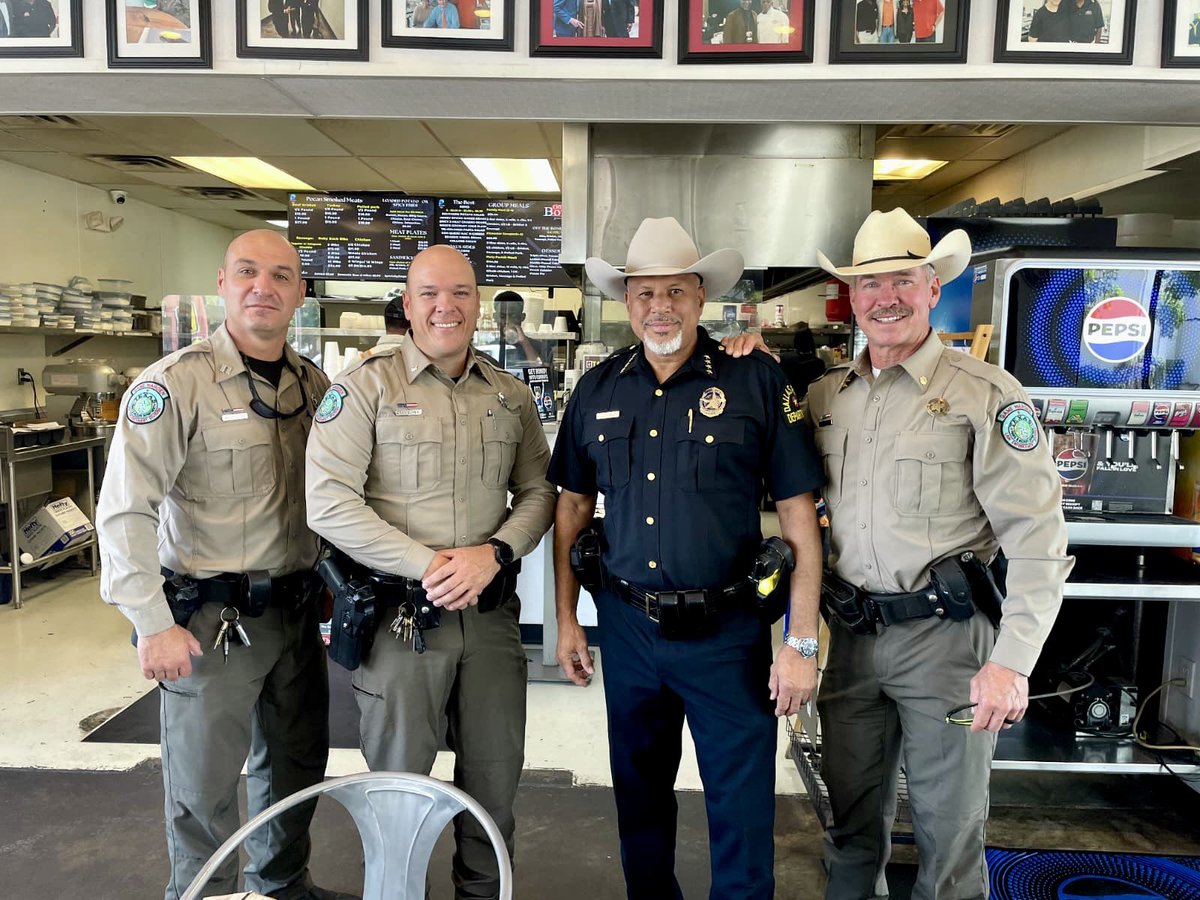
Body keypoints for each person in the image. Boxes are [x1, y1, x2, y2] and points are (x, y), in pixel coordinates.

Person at [723, 208, 1072, 900]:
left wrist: (1012, 662)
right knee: (850, 828)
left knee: (949, 831)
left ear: (933, 288)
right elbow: (793, 503)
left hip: (948, 646)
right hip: (851, 638)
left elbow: (1039, 541)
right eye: (870, 284)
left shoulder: (985, 396)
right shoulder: (825, 398)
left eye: (902, 281)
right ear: (852, 296)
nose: (886, 298)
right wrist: (751, 375)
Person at [551, 217, 825, 900]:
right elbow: (572, 511)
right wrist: (566, 619)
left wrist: (800, 638)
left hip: (727, 635)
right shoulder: (599, 388)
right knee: (639, 800)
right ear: (627, 302)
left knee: (741, 805)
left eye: (675, 290)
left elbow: (799, 517)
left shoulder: (755, 380)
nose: (659, 307)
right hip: (628, 628)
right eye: (644, 293)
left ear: (701, 297)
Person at [96, 231, 354, 900]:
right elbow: (126, 512)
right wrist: (151, 623)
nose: (262, 286)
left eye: (280, 275)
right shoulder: (173, 385)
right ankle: (205, 896)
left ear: (300, 293)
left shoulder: (314, 386)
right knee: (203, 786)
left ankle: (280, 887)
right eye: (247, 272)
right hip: (212, 622)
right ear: (222, 282)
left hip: (297, 614)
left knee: (296, 768)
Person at [305, 244, 556, 900]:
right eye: (430, 294)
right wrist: (432, 565)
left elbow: (539, 492)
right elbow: (328, 502)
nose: (447, 306)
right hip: (400, 623)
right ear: (408, 305)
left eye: (462, 293)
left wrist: (494, 553)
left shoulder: (508, 394)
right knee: (398, 795)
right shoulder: (365, 387)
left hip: (490, 622)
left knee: (495, 787)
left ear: (478, 302)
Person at [492, 290, 544, 366]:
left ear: (522, 317)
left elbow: (539, 372)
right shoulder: (489, 348)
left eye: (512, 316)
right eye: (502, 317)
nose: (507, 321)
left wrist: (525, 343)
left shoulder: (539, 347)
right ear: (494, 317)